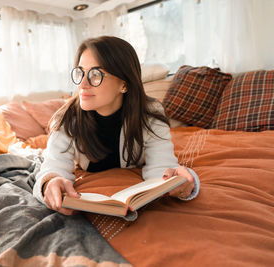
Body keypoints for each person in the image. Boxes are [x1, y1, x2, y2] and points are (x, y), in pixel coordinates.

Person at [33, 36, 200, 215]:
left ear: (124, 84)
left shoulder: (150, 114)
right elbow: (53, 167)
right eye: (81, 72)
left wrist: (180, 183)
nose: (82, 84)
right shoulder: (68, 118)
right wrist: (50, 183)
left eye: (96, 74)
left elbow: (162, 167)